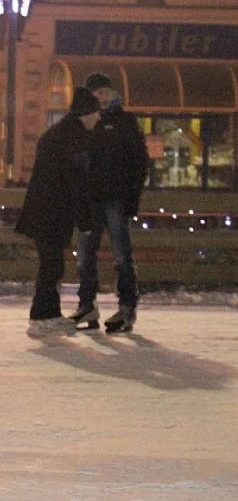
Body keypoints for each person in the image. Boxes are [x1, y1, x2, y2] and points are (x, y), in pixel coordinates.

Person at [15, 87, 99, 338]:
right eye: (96, 113)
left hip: (47, 209)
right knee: (51, 266)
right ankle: (41, 316)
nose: (99, 118)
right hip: (51, 211)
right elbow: (75, 181)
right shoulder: (71, 139)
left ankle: (49, 315)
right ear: (87, 113)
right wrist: (85, 220)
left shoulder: (62, 134)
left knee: (52, 264)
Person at [70, 72, 150, 333]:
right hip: (90, 200)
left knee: (122, 257)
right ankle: (87, 305)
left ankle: (127, 308)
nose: (101, 96)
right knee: (84, 257)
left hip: (116, 199)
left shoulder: (125, 122)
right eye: (97, 92)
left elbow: (139, 162)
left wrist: (132, 198)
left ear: (113, 93)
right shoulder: (84, 123)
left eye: (105, 91)